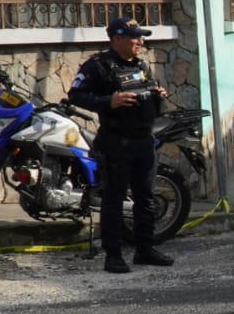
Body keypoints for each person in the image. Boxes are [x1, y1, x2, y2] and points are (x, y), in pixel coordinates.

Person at [68, 17, 174, 274]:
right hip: (116, 141)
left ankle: (145, 249)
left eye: (141, 37)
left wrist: (156, 94)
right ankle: (113, 255)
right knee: (114, 199)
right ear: (117, 39)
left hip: (143, 140)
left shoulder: (140, 65)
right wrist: (108, 101)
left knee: (145, 197)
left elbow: (145, 89)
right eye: (134, 37)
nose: (140, 41)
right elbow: (76, 95)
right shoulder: (98, 66)